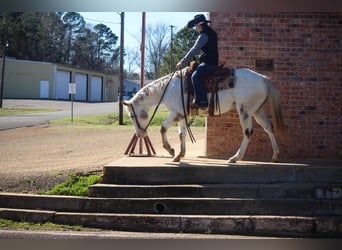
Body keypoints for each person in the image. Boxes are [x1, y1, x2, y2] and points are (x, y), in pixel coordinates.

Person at [176, 14, 218, 115]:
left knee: (195, 76)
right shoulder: (211, 33)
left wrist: (183, 61)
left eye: (196, 26)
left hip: (208, 63)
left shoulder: (203, 35)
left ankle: (203, 102)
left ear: (200, 25)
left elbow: (194, 49)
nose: (196, 28)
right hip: (212, 61)